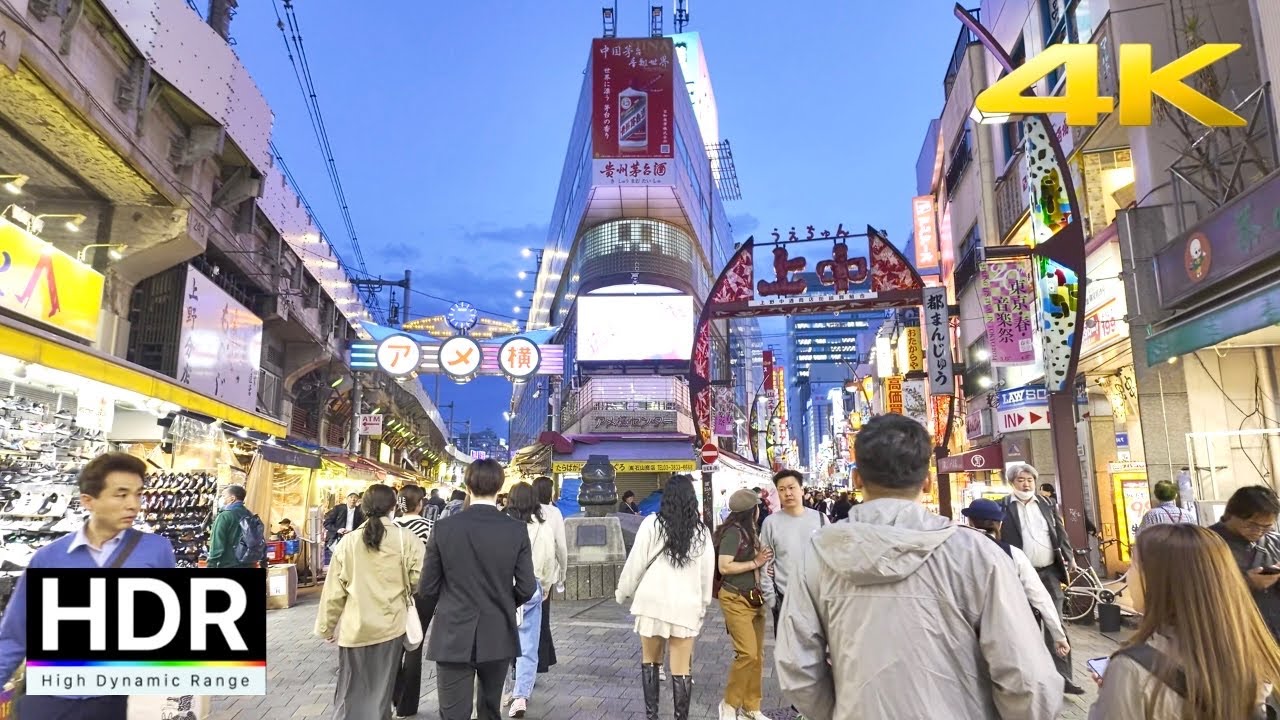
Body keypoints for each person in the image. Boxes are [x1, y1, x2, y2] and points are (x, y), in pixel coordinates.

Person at [776, 414, 1062, 719]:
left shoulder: (818, 553)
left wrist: (839, 711)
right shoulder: (979, 554)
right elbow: (1030, 679)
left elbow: (797, 668)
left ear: (857, 479)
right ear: (926, 481)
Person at [0, 452, 176, 720]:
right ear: (88, 501)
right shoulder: (49, 557)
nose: (133, 505)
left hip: (108, 698)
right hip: (46, 696)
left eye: (138, 494)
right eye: (121, 494)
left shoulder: (154, 550)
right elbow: (16, 632)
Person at [1088, 523, 1280, 719]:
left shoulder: (1130, 668)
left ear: (1159, 580)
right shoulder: (1256, 650)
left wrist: (1118, 689)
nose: (1128, 576)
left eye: (1133, 565)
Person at [419, 459, 536, 720]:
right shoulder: (515, 530)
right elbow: (528, 587)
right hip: (498, 631)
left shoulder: (444, 528)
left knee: (453, 713)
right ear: (499, 485)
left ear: (467, 484)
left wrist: (450, 600)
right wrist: (506, 601)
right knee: (490, 709)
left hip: (452, 632)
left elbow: (426, 588)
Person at [315, 484, 423, 720]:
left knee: (350, 691)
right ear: (393, 507)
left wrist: (327, 627)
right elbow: (419, 578)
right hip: (391, 626)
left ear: (363, 508)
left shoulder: (348, 542)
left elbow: (334, 591)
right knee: (381, 692)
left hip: (355, 629)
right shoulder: (407, 540)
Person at [615, 475, 714, 720]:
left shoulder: (651, 524)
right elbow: (706, 575)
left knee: (650, 661)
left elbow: (635, 563)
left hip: (652, 604)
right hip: (685, 607)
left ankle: (653, 716)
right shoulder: (701, 532)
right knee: (681, 668)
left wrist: (622, 592)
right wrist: (702, 605)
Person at [999, 463, 1082, 694]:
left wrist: (1069, 557)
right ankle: (1036, 675)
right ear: (1012, 483)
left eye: (1030, 480)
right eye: (1020, 480)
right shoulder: (1003, 507)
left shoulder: (1046, 504)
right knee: (1028, 624)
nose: (1026, 484)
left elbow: (1060, 533)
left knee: (1055, 621)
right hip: (1019, 575)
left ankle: (1063, 677)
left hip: (1049, 572)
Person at [961, 499, 1070, 659]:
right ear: (999, 524)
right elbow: (1039, 597)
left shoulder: (957, 553)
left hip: (967, 632)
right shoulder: (1014, 554)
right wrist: (1059, 636)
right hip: (1008, 632)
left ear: (970, 522)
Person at [715, 488, 773, 720]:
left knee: (758, 656)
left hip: (754, 599)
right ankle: (729, 704)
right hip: (735, 598)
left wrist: (763, 566)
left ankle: (751, 708)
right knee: (747, 654)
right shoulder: (734, 533)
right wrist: (756, 562)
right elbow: (724, 566)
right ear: (752, 511)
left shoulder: (751, 532)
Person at [504, 483, 558, 718]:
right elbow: (548, 557)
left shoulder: (501, 523)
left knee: (500, 639)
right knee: (528, 643)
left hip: (502, 586)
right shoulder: (542, 526)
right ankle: (520, 696)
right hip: (531, 585)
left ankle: (504, 689)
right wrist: (546, 585)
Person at [760, 469, 826, 636]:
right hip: (785, 599)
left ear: (801, 490)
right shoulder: (771, 523)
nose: (787, 493)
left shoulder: (821, 519)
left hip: (817, 599)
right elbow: (765, 561)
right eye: (782, 489)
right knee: (788, 657)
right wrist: (772, 600)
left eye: (791, 488)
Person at [1210, 485, 1280, 642]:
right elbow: (1195, 594)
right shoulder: (1204, 544)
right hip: (1236, 638)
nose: (1258, 531)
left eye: (1267, 526)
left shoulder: (1275, 542)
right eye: (1251, 524)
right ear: (1230, 514)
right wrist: (1247, 583)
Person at [392, 485, 434, 719]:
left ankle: (395, 692)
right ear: (419, 504)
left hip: (394, 592)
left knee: (395, 643)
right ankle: (408, 705)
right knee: (415, 643)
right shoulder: (429, 527)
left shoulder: (391, 528)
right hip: (422, 593)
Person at [531, 476, 566, 674]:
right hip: (546, 572)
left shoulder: (527, 511)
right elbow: (561, 545)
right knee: (543, 616)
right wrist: (562, 572)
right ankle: (541, 660)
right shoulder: (554, 512)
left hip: (525, 571)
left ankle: (522, 660)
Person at [207, 484, 262, 568]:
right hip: (250, 564)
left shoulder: (225, 516)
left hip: (230, 564)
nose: (222, 499)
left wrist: (211, 565)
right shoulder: (250, 515)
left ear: (232, 498)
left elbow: (217, 544)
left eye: (224, 496)